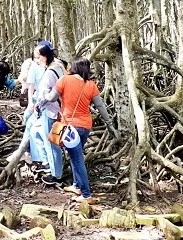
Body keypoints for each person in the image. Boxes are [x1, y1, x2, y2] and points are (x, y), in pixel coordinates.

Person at [38, 57, 121, 203]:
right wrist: (109, 124)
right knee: (75, 155)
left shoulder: (64, 80)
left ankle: (86, 195)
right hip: (85, 127)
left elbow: (51, 98)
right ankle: (76, 185)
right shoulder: (90, 84)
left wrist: (44, 93)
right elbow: (100, 106)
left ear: (73, 68)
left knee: (77, 159)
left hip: (70, 128)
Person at [32, 43, 66, 187]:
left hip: (51, 111)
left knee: (52, 143)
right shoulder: (59, 66)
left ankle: (56, 175)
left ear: (45, 57)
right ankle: (53, 167)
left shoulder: (49, 73)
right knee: (41, 136)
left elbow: (46, 95)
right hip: (60, 110)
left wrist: (38, 103)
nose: (36, 61)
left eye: (38, 58)